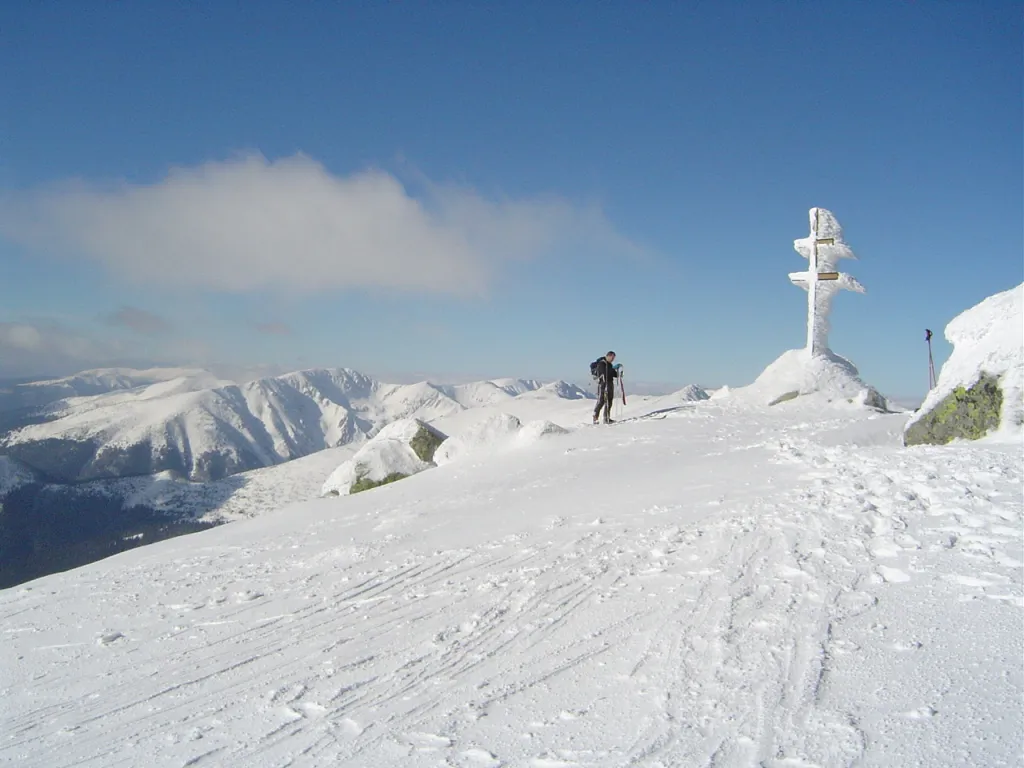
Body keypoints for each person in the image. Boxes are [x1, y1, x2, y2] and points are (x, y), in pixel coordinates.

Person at [592, 351, 620, 424]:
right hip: (603, 384)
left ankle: (606, 418)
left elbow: (612, 374)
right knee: (601, 400)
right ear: (608, 356)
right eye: (612, 358)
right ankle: (595, 417)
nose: (613, 359)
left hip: (610, 383)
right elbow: (604, 373)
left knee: (609, 401)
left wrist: (618, 372)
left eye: (613, 358)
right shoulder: (602, 364)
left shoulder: (609, 364)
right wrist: (613, 369)